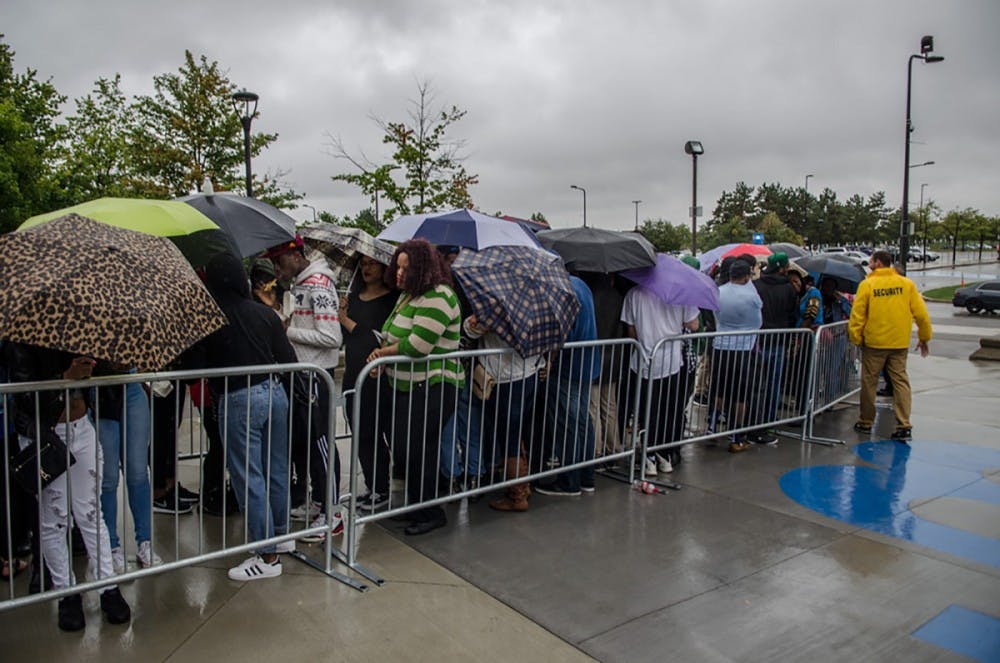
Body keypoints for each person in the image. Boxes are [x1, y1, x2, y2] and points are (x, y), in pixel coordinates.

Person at [4, 343, 131, 631]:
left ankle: (108, 586)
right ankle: (66, 592)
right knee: (54, 518)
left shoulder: (76, 330)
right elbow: (23, 394)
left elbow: (94, 377)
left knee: (90, 512)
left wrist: (110, 364)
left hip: (81, 428)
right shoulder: (24, 336)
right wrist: (65, 375)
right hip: (43, 435)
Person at [200, 253, 297, 581]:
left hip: (239, 398)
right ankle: (280, 536)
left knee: (249, 475)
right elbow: (288, 358)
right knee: (277, 468)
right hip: (275, 393)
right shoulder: (264, 314)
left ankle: (265, 555)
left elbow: (199, 367)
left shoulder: (212, 319)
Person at [367, 239, 464, 535]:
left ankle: (431, 511)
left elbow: (418, 345)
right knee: (406, 448)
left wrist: (383, 355)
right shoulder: (409, 296)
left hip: (433, 385)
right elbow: (391, 333)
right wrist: (385, 356)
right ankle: (416, 506)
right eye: (398, 266)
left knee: (420, 449)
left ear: (422, 268)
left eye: (405, 268)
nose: (398, 273)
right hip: (408, 385)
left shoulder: (439, 296)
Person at [265, 235, 343, 541]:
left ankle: (333, 513)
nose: (276, 269)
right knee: (310, 443)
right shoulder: (300, 285)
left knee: (322, 443)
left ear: (296, 255)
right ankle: (320, 501)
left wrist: (289, 330)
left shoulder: (319, 285)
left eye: (279, 261)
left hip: (317, 376)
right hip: (303, 376)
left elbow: (331, 337)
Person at [848, 250, 932, 441]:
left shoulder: (868, 284)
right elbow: (921, 314)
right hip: (899, 343)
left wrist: (856, 338)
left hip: (874, 343)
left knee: (869, 382)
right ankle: (904, 423)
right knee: (900, 381)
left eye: (871, 261)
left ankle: (866, 421)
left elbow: (858, 315)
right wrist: (924, 337)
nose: (869, 264)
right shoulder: (906, 284)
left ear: (878, 262)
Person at [619, 282, 699, 473]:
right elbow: (694, 324)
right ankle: (664, 455)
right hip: (671, 362)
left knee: (647, 410)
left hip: (643, 360)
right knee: (668, 410)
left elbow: (631, 330)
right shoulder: (680, 291)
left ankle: (649, 456)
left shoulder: (634, 293)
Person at [339, 255, 396, 512]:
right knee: (360, 432)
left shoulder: (391, 300)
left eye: (372, 263)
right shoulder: (352, 299)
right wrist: (342, 315)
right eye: (362, 264)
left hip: (376, 377)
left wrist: (345, 320)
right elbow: (345, 338)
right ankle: (372, 486)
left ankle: (382, 488)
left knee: (374, 432)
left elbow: (372, 337)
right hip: (352, 374)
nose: (366, 268)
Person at [535, 275, 600, 496]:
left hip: (569, 367)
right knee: (583, 421)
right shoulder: (581, 284)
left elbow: (559, 334)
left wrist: (550, 360)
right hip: (587, 364)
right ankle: (586, 477)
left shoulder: (562, 291)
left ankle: (569, 481)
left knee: (567, 424)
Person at [94, 368, 162, 572]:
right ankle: (111, 546)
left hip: (131, 385)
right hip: (100, 391)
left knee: (138, 473)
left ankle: (145, 541)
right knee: (108, 478)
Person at [708, 260, 762, 453]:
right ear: (746, 276)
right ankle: (736, 435)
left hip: (721, 345)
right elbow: (758, 321)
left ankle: (712, 427)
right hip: (743, 348)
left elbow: (716, 315)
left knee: (719, 389)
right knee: (741, 394)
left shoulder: (719, 291)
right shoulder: (751, 295)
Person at [749, 252, 798, 445]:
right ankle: (768, 420)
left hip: (759, 340)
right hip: (778, 340)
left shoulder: (756, 286)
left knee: (756, 384)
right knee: (772, 383)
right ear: (782, 268)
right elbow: (792, 314)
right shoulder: (788, 289)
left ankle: (754, 421)